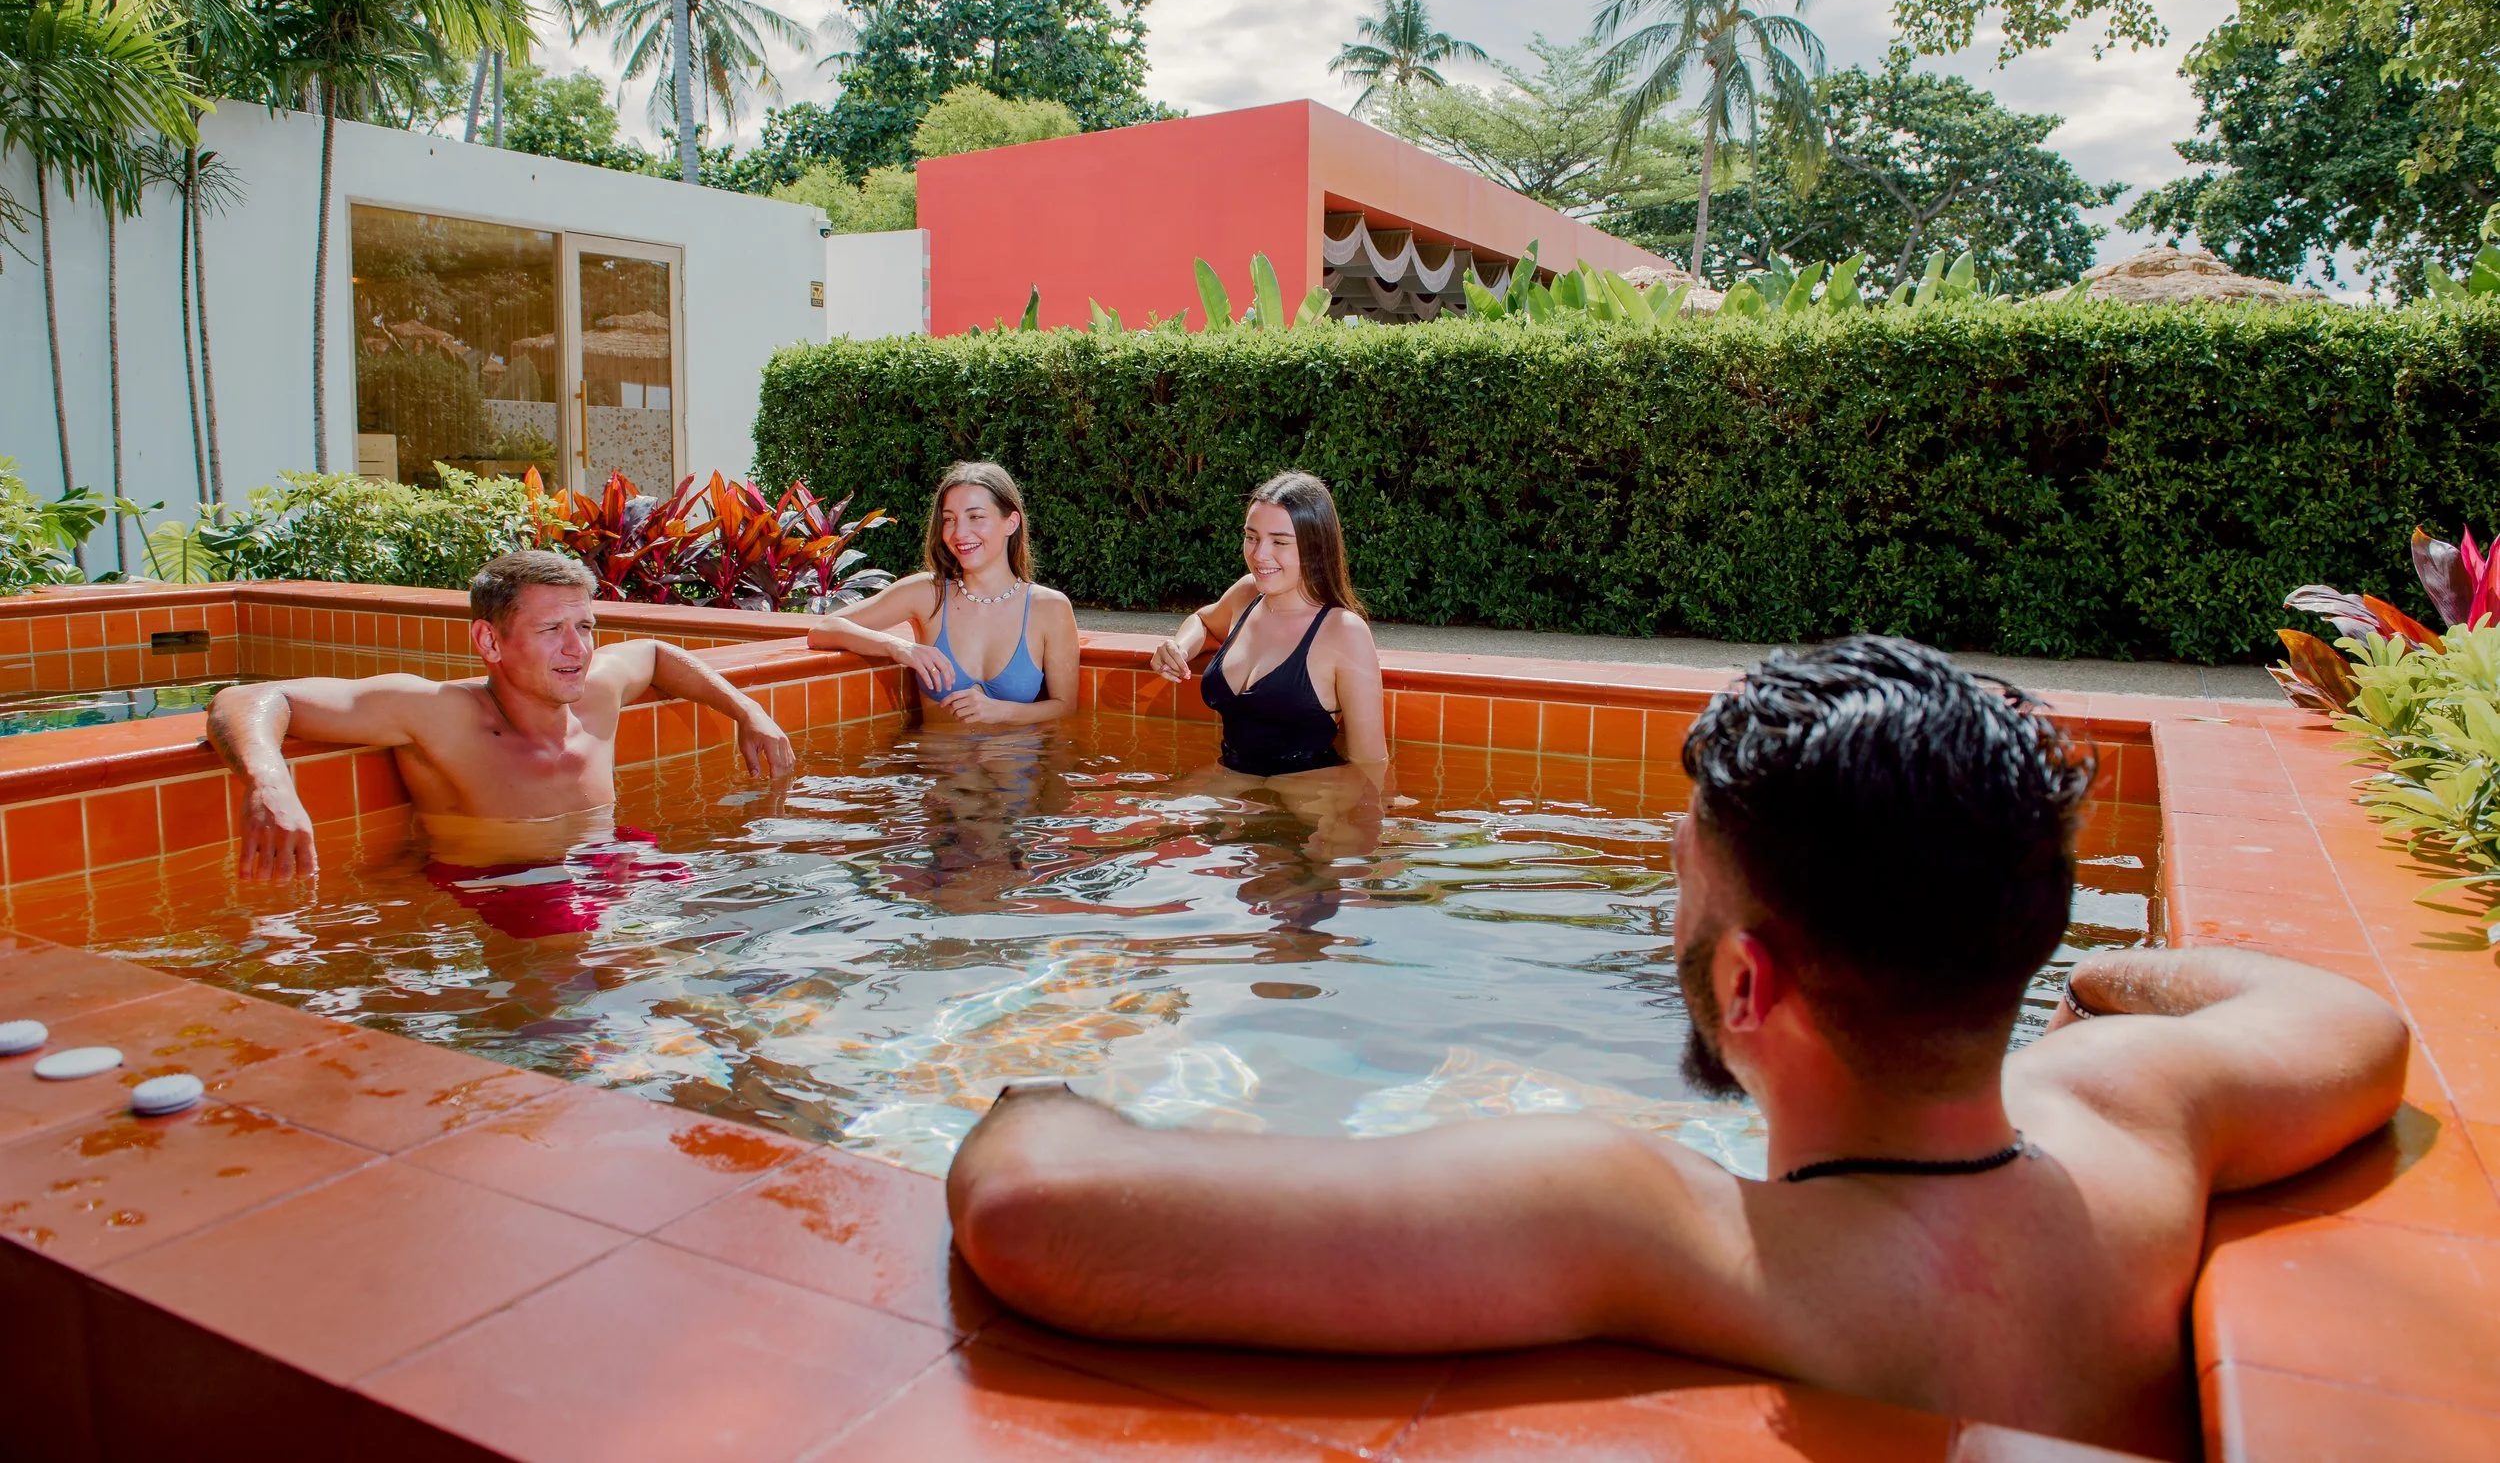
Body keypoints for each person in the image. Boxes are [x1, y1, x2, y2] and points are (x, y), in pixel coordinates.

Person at [943, 636, 2408, 1457]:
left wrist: (1032, 1080)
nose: (1667, 907)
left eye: (1681, 883)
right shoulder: (2132, 1113)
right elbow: (2356, 1021)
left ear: (1750, 989)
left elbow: (1035, 1208)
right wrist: (2106, 968)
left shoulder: (1654, 1226)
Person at [210, 548, 794, 882]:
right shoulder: (439, 714)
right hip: (508, 889)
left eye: (585, 626)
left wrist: (749, 711)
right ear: (489, 642)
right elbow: (247, 698)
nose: (579, 649)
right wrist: (269, 782)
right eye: (551, 631)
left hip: (611, 860)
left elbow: (657, 654)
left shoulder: (597, 690)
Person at [1148, 471, 1386, 779]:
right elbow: (1204, 622)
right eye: (1252, 537)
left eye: (1280, 541)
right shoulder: (1247, 594)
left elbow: (1371, 762)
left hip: (1310, 794)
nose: (1260, 554)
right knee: (1159, 820)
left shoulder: (1344, 632)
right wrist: (1180, 647)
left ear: (1315, 547)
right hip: (1233, 777)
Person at [809, 460, 1079, 727]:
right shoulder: (927, 594)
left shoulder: (1049, 608)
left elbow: (1065, 708)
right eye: (949, 519)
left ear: (1011, 523)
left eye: (976, 517)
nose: (959, 533)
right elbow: (824, 629)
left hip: (1015, 767)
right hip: (942, 767)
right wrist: (899, 647)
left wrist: (1002, 712)